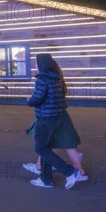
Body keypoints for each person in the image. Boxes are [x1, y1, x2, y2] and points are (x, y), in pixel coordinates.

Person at [27, 53, 81, 189]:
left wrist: (29, 100)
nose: (35, 66)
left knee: (40, 148)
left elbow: (36, 99)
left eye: (36, 64)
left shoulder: (42, 80)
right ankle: (46, 180)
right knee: (46, 148)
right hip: (55, 118)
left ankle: (69, 171)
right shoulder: (56, 78)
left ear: (41, 65)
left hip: (45, 119)